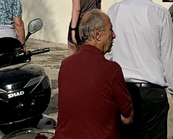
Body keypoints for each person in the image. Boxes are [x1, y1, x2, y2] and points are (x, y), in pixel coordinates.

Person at [108, 0, 173, 138]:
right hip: (151, 95)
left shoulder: (114, 11)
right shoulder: (160, 14)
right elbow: (170, 61)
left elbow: (108, 55)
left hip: (122, 92)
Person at [55, 9, 133, 139]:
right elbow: (127, 117)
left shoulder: (65, 65)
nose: (114, 35)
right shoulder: (111, 70)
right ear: (97, 34)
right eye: (110, 29)